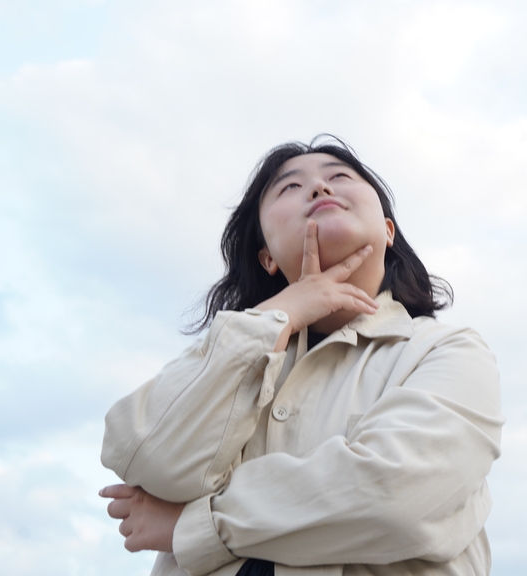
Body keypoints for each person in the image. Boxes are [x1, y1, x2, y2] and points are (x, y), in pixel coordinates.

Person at [98, 136, 504, 576]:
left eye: (340, 177)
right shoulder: (229, 354)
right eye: (290, 187)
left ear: (388, 231)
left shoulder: (446, 350)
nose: (318, 189)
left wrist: (191, 526)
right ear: (267, 257)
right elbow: (146, 458)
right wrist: (282, 312)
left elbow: (395, 497)